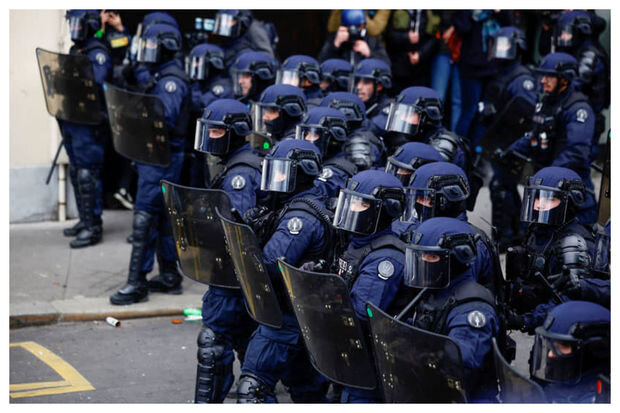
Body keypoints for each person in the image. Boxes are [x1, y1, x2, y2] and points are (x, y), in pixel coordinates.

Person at [237, 139, 331, 403]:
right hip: (302, 313)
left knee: (252, 388)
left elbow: (269, 263)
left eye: (281, 171)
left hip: (285, 318)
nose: (274, 178)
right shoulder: (295, 204)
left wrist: (252, 241)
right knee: (306, 391)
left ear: (301, 173)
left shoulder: (299, 218)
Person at [109, 22, 190, 305]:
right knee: (163, 218)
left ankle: (137, 283)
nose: (147, 51)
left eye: (152, 46)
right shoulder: (160, 73)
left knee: (144, 216)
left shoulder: (171, 81)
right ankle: (169, 275)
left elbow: (163, 117)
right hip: (155, 156)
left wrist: (135, 114)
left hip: (162, 158)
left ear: (166, 48)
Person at [191, 99, 263, 402]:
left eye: (217, 132)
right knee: (246, 342)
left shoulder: (240, 174)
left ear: (236, 132)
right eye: (208, 131)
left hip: (231, 276)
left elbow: (238, 229)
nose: (211, 138)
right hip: (239, 276)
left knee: (213, 342)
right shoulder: (237, 163)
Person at [402, 217, 501, 401]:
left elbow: (457, 366)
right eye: (420, 255)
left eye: (432, 257)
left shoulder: (472, 309)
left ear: (456, 258)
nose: (423, 261)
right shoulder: (436, 290)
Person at [331, 170, 407, 402]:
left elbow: (361, 314)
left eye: (361, 204)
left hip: (373, 362)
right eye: (351, 201)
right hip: (351, 353)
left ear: (385, 210)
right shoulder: (358, 243)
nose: (351, 208)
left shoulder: (386, 258)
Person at [503, 167, 609, 333]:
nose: (539, 205)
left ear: (570, 203)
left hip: (564, 329)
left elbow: (567, 302)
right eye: (537, 198)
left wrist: (525, 320)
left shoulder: (573, 243)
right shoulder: (537, 231)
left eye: (549, 200)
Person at [504, 52, 598, 225]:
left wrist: (549, 174)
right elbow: (534, 134)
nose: (542, 80)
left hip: (571, 195)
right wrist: (511, 151)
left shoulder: (578, 109)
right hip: (546, 188)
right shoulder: (545, 103)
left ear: (564, 79)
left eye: (549, 76)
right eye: (542, 75)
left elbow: (577, 152)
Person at [473, 26, 537, 249]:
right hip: (499, 141)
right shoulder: (500, 73)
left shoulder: (521, 78)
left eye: (504, 45)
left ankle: (506, 237)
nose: (499, 50)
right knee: (504, 187)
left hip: (512, 144)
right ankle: (517, 232)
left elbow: (526, 112)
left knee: (501, 187)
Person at [59, 10, 112, 248]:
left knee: (87, 174)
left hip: (89, 124)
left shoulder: (97, 53)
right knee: (75, 171)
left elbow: (93, 84)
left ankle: (93, 227)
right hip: (73, 121)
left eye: (78, 25)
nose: (74, 29)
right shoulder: (76, 50)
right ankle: (84, 220)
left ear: (89, 26)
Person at [528, 301, 610, 403]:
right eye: (550, 345)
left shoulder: (597, 400)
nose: (550, 354)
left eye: (563, 346)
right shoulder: (559, 386)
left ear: (593, 350)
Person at [555, 10, 610, 147]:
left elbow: (576, 83)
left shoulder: (589, 55)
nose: (563, 37)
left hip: (586, 117)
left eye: (567, 33)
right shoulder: (574, 51)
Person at [185, 42, 233, 187]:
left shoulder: (222, 87)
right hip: (199, 142)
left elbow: (199, 104)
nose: (194, 66)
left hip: (214, 146)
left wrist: (193, 86)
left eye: (198, 62)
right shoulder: (202, 84)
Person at [385, 10, 437, 90]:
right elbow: (388, 35)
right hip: (399, 64)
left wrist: (420, 54)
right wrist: (406, 37)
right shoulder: (396, 11)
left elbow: (434, 38)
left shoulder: (427, 13)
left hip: (421, 66)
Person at [318, 9, 390, 66]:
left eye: (358, 27)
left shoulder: (373, 42)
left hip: (363, 76)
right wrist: (335, 46)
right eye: (349, 27)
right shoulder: (335, 40)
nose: (353, 30)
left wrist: (370, 54)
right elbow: (322, 64)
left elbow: (385, 66)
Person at [210, 10, 276, 68]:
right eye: (223, 20)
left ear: (243, 21)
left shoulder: (255, 29)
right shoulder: (231, 33)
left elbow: (268, 56)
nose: (224, 24)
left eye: (230, 21)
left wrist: (247, 60)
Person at [251, 84, 307, 150]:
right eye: (265, 111)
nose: (264, 117)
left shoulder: (293, 146)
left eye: (272, 111)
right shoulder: (276, 136)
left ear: (292, 111)